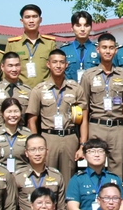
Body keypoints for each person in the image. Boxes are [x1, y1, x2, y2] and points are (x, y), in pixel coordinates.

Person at [26, 49, 88, 179]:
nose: (58, 66)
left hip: (70, 138)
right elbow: (32, 119)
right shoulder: (39, 90)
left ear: (66, 65)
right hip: (49, 138)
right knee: (47, 177)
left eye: (61, 62)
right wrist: (36, 144)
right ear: (48, 64)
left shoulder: (76, 88)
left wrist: (82, 145)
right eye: (54, 62)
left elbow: (83, 118)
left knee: (68, 177)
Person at [81, 32, 123, 175]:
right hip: (96, 127)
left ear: (116, 50)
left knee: (118, 170)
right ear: (97, 49)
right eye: (104, 47)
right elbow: (84, 108)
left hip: (118, 128)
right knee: (94, 168)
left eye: (111, 48)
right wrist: (83, 140)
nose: (108, 51)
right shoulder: (88, 75)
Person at [9, 135, 68, 210]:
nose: (37, 153)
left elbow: (61, 209)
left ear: (47, 151)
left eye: (41, 149)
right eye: (32, 149)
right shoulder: (17, 177)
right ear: (26, 153)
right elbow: (12, 208)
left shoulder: (56, 176)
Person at [5, 5, 59, 88]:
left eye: (34, 17)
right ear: (21, 21)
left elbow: (55, 69)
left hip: (44, 91)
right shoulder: (13, 44)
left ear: (40, 20)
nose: (31, 20)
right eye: (27, 17)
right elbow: (6, 71)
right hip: (19, 91)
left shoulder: (49, 43)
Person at [0, 52, 33, 130]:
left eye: (17, 65)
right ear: (2, 67)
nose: (14, 69)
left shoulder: (28, 91)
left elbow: (31, 122)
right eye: (10, 66)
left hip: (21, 137)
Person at [61, 10, 99, 83]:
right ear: (72, 28)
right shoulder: (64, 50)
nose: (82, 29)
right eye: (78, 25)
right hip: (71, 91)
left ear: (91, 28)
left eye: (86, 25)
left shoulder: (98, 50)